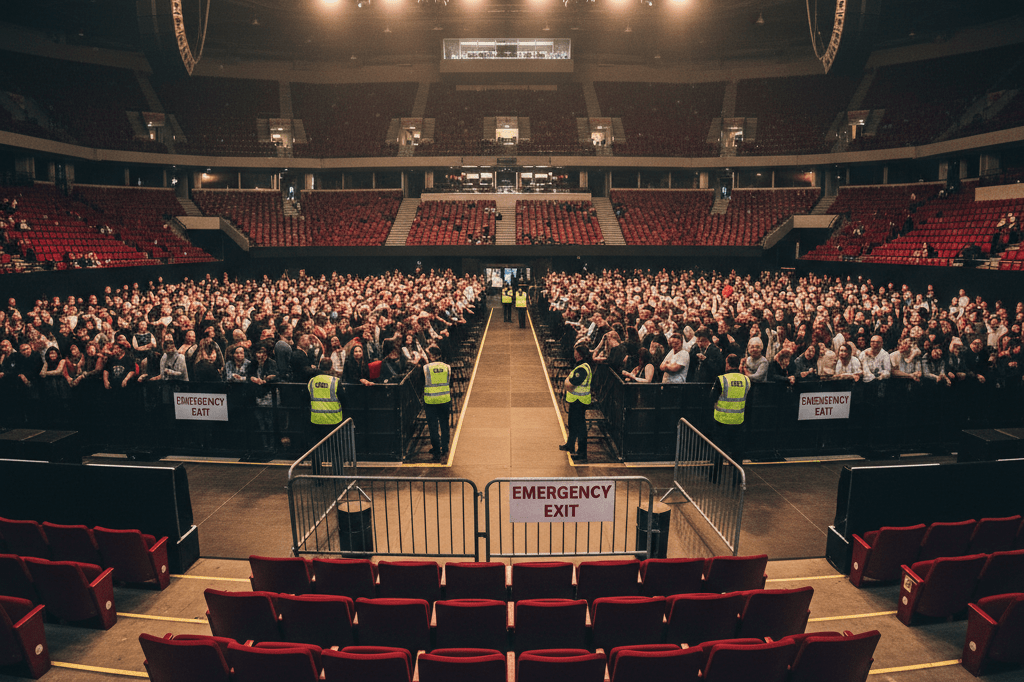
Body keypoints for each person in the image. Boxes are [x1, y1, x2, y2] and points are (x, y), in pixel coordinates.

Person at [709, 353, 750, 482]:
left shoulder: (721, 379)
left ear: (727, 363)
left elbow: (712, 397)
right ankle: (737, 480)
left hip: (721, 420)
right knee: (737, 453)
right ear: (738, 364)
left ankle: (715, 478)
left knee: (718, 451)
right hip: (739, 420)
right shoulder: (746, 380)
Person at [306, 359, 346, 472]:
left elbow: (307, 399)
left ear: (319, 366)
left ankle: (317, 477)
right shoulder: (335, 381)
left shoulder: (312, 381)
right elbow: (344, 400)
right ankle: (337, 475)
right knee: (336, 451)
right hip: (334, 421)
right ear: (331, 367)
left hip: (316, 420)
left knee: (316, 450)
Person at [560, 343, 592, 462]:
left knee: (580, 427)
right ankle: (570, 444)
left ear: (579, 354)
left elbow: (571, 383)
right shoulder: (580, 365)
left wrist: (567, 380)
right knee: (572, 424)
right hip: (575, 400)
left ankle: (582, 452)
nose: (574, 353)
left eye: (575, 351)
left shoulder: (582, 368)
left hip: (580, 401)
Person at [422, 345, 451, 461]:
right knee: (444, 425)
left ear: (431, 356)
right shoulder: (447, 367)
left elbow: (422, 382)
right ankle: (445, 447)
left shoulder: (426, 368)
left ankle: (436, 449)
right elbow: (450, 382)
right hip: (444, 400)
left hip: (430, 401)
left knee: (433, 426)